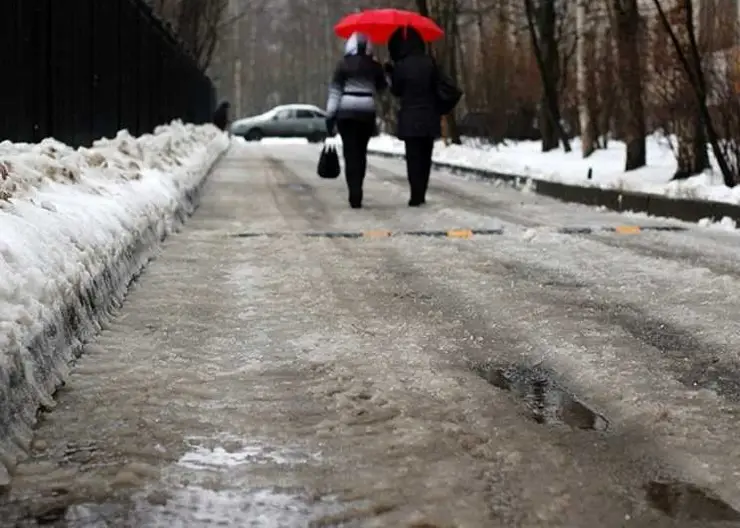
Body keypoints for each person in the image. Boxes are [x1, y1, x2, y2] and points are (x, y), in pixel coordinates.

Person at [325, 32, 387, 209]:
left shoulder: (343, 65)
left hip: (346, 113)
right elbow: (383, 89)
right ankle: (359, 184)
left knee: (350, 152)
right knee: (361, 152)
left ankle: (354, 192)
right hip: (366, 113)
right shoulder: (374, 66)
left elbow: (335, 92)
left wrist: (330, 116)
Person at [385, 27, 439, 207]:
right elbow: (438, 85)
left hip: (410, 116)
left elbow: (396, 91)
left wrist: (391, 73)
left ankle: (415, 193)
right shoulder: (430, 62)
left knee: (413, 157)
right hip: (429, 116)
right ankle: (422, 191)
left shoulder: (402, 65)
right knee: (425, 156)